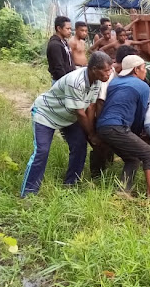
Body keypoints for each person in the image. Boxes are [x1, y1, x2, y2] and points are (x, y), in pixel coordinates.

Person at [21, 52, 113, 197]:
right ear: (94, 69)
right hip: (46, 114)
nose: (110, 73)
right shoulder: (76, 81)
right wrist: (91, 134)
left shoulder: (96, 81)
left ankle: (71, 184)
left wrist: (93, 134)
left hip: (67, 117)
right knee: (42, 151)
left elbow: (90, 107)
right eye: (106, 70)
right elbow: (80, 113)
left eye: (110, 69)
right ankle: (28, 193)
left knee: (79, 146)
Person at [96, 55, 150, 198]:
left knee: (132, 158)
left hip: (102, 126)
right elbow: (140, 115)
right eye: (144, 68)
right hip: (117, 127)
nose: (145, 71)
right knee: (149, 154)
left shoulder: (115, 82)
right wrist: (137, 134)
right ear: (136, 70)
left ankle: (122, 191)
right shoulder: (143, 86)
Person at [90, 45, 140, 179]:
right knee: (101, 144)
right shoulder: (109, 75)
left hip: (108, 116)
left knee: (108, 144)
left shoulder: (117, 75)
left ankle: (106, 167)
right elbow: (100, 101)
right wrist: (99, 125)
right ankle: (96, 175)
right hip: (100, 115)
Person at [47, 16, 74, 83]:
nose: (70, 31)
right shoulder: (55, 45)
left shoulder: (64, 42)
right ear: (59, 28)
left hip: (68, 79)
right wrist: (64, 82)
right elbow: (58, 66)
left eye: (70, 29)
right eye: (67, 29)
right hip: (61, 81)